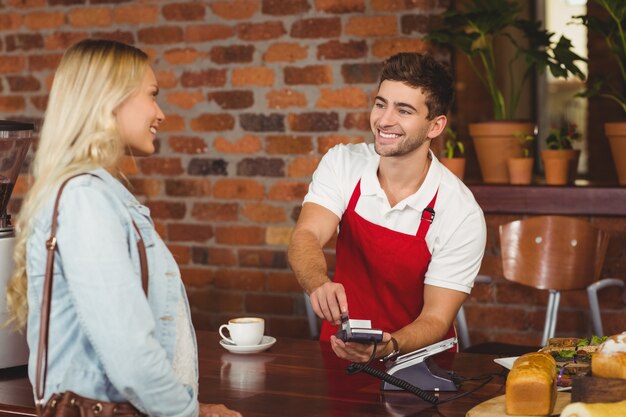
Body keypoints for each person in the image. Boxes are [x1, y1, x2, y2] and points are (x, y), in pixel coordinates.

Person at [5, 39, 241, 417]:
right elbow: (129, 349)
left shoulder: (100, 194)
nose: (160, 113)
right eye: (152, 95)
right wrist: (188, 414)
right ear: (110, 99)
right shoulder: (85, 198)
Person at [288, 52, 486, 364]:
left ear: (435, 126)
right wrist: (319, 284)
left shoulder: (460, 211)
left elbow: (436, 318)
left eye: (403, 110)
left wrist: (389, 346)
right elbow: (306, 235)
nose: (384, 120)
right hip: (341, 350)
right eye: (381, 104)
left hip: (422, 364)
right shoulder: (343, 163)